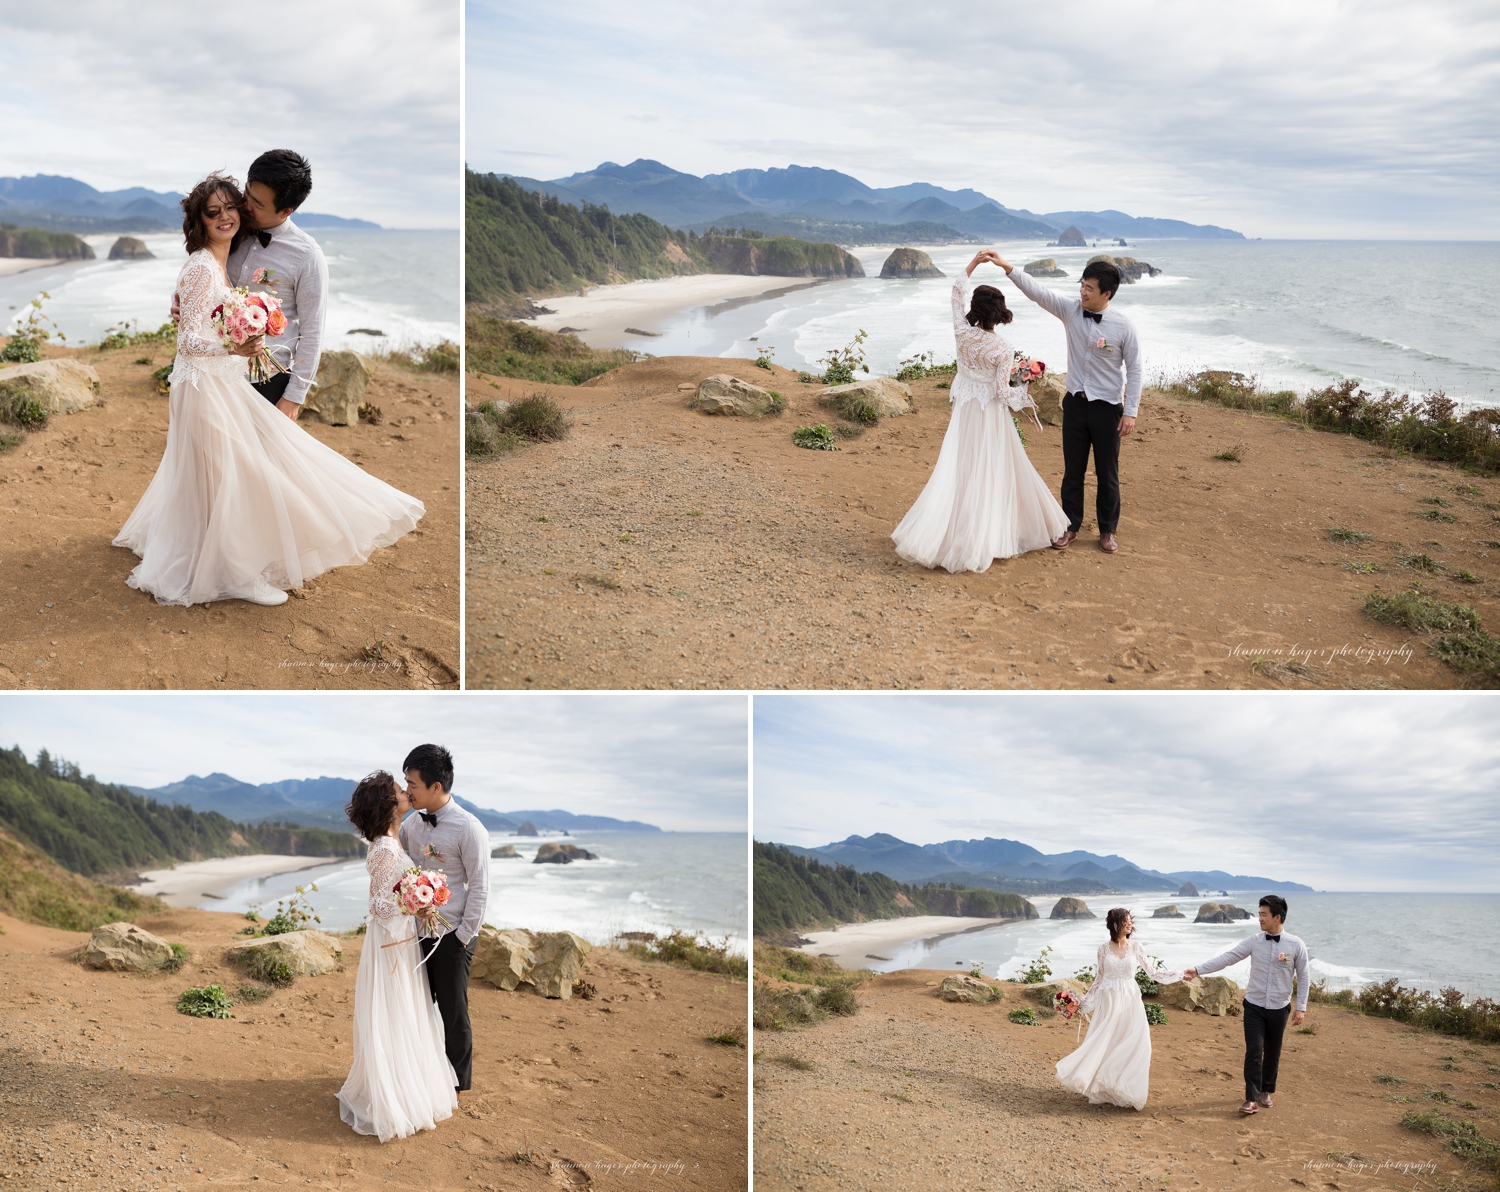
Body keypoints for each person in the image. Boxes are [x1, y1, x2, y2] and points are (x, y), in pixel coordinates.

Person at [115, 172, 423, 607]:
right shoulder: (215, 255)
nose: (236, 213)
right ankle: (236, 572)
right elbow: (190, 326)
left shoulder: (303, 255)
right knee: (232, 476)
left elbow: (312, 332)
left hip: (240, 380)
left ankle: (220, 554)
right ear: (201, 220)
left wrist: (292, 396)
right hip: (214, 382)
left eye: (241, 206)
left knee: (228, 475)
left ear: (285, 209)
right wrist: (220, 333)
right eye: (221, 209)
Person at [890, 250, 1069, 573]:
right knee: (992, 468)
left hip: (965, 410)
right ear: (999, 314)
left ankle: (949, 531)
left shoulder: (961, 332)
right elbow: (1001, 392)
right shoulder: (1002, 348)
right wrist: (1026, 391)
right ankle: (989, 533)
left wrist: (973, 263)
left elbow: (955, 292)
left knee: (961, 466)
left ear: (976, 310)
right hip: (990, 416)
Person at [991, 251, 1142, 554]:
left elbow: (1135, 368)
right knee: (1072, 470)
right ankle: (1070, 526)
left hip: (1107, 409)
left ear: (1106, 294)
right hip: (1075, 403)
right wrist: (1008, 267)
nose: (1082, 291)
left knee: (1107, 472)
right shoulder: (1071, 311)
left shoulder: (1124, 327)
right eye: (1082, 285)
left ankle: (1107, 531)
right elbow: (1038, 292)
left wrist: (1130, 411)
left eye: (1089, 288)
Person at [336, 770, 458, 1141]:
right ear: (390, 805)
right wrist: (412, 904)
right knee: (395, 1010)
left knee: (403, 1009)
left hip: (398, 938)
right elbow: (377, 903)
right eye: (399, 790)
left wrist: (415, 901)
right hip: (392, 942)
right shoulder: (386, 847)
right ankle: (394, 1094)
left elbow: (388, 895)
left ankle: (404, 1082)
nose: (407, 792)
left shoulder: (391, 840)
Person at [398, 743, 490, 1094]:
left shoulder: (469, 828)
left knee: (454, 1014)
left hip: (452, 934)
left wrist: (463, 936)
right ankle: (424, 1077)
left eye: (413, 784)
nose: (408, 790)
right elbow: (403, 866)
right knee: (419, 1008)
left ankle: (457, 1086)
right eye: (406, 783)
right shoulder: (411, 824)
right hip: (416, 932)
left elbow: (480, 886)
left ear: (436, 786)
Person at [1185, 894, 1309, 1115]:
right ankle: (1251, 1098)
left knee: (1273, 1051)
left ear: (1277, 917)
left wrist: (1301, 1007)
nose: (1259, 918)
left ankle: (1266, 1091)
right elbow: (1228, 957)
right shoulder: (1254, 941)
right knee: (1253, 1050)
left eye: (1264, 914)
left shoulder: (1296, 944)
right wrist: (1198, 969)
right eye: (1259, 913)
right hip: (1254, 1005)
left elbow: (1304, 976)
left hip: (1279, 1006)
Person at [1055, 908, 1182, 1110]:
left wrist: (1180, 974)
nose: (1130, 925)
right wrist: (1083, 1004)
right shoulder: (1103, 949)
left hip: (1131, 1000)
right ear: (1116, 924)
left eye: (1131, 921)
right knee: (1107, 1041)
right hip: (1109, 1000)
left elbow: (1153, 972)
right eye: (1126, 921)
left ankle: (1123, 1087)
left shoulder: (1137, 947)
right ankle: (1103, 1087)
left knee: (1134, 1042)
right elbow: (1099, 979)